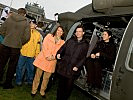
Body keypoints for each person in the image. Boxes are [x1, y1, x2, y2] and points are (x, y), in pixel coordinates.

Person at [56, 25, 89, 100]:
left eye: (79, 31)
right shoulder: (70, 40)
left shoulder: (85, 45)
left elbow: (84, 58)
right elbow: (63, 48)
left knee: (68, 88)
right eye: (76, 31)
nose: (77, 33)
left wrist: (78, 66)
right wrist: (58, 53)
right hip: (64, 67)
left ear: (83, 33)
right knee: (61, 86)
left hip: (73, 69)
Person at [0, 8, 30, 89]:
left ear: (18, 12)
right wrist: (20, 42)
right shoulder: (26, 22)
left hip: (5, 44)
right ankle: (7, 84)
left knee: (1, 63)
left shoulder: (9, 18)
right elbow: (27, 37)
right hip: (16, 47)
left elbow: (2, 30)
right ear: (24, 14)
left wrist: (6, 37)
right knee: (12, 66)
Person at [31, 26, 65, 98]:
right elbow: (44, 46)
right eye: (58, 30)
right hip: (43, 58)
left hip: (52, 62)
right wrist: (47, 56)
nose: (59, 32)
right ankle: (33, 90)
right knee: (37, 76)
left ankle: (42, 91)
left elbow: (60, 52)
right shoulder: (49, 36)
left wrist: (52, 57)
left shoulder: (62, 42)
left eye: (61, 31)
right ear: (56, 30)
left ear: (63, 33)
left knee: (46, 79)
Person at [16, 19, 41, 86]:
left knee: (30, 69)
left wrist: (37, 54)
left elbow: (38, 45)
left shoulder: (38, 34)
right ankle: (18, 80)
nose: (31, 24)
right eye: (30, 23)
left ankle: (29, 80)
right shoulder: (24, 31)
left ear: (36, 25)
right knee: (20, 67)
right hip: (23, 52)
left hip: (32, 54)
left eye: (33, 23)